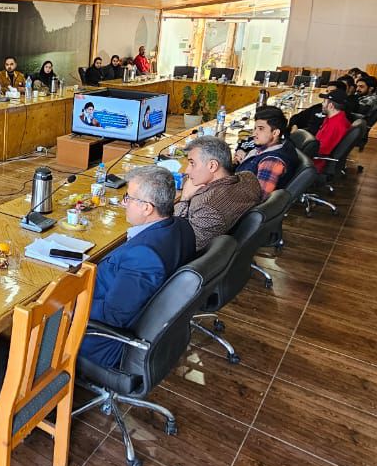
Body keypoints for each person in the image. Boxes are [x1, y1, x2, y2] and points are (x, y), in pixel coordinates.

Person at [79, 166, 196, 369]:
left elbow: (112, 316)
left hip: (100, 342)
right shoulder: (181, 226)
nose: (124, 203)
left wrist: (69, 305)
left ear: (147, 208)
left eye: (129, 198)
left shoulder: (144, 256)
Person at [174, 136, 262, 247]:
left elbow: (178, 240)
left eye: (192, 163)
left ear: (212, 166)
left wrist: (184, 199)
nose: (187, 170)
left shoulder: (207, 207)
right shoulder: (249, 178)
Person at [235, 106, 300, 195]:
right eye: (255, 128)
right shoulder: (274, 145)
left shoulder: (272, 161)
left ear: (275, 133)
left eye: (261, 129)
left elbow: (258, 196)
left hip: (235, 197)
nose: (254, 133)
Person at [314, 90, 353, 172]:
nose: (322, 104)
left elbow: (321, 150)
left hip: (315, 162)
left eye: (324, 102)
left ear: (331, 106)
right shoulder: (335, 118)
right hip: (314, 152)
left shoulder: (335, 126)